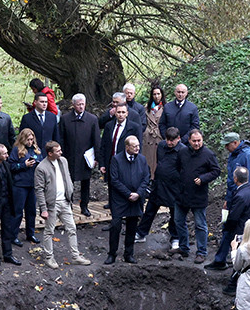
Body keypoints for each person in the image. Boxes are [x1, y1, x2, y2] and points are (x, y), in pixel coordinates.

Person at [34, 141, 92, 268]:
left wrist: (70, 197)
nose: (61, 152)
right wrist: (43, 209)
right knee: (49, 231)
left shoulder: (63, 161)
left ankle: (76, 256)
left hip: (65, 202)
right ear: (50, 153)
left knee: (72, 228)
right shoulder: (41, 168)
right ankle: (49, 257)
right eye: (58, 151)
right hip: (51, 204)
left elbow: (67, 178)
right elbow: (39, 190)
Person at [171, 129, 220, 264]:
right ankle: (183, 247)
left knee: (200, 225)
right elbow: (177, 167)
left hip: (199, 195)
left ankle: (201, 252)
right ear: (189, 141)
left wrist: (203, 178)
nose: (197, 143)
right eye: (194, 141)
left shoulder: (208, 154)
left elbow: (216, 170)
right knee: (179, 221)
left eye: (199, 141)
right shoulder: (182, 152)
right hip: (182, 194)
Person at [135, 127, 186, 247]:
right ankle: (141, 233)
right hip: (159, 184)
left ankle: (175, 238)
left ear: (178, 139)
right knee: (150, 210)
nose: (169, 143)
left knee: (175, 213)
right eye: (168, 139)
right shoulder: (162, 146)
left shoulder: (183, 151)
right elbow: (159, 161)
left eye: (172, 140)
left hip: (174, 187)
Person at [105, 136, 150, 264]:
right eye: (134, 146)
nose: (137, 148)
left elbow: (146, 178)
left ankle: (128, 254)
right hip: (120, 199)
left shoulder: (142, 159)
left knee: (132, 227)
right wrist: (128, 193)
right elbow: (114, 180)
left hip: (136, 199)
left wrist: (139, 193)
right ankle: (112, 254)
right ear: (127, 147)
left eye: (138, 146)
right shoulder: (116, 159)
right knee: (115, 226)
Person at [206, 167, 250, 271]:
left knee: (228, 237)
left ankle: (222, 263)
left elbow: (234, 216)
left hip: (240, 227)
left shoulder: (240, 195)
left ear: (235, 179)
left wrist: (227, 225)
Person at [59, 93, 100, 217]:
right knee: (68, 183)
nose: (81, 107)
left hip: (85, 157)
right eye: (78, 104)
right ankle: (68, 205)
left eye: (83, 104)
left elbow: (96, 140)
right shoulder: (65, 119)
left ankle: (84, 206)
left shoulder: (92, 119)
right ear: (73, 105)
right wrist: (60, 155)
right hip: (69, 156)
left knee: (85, 183)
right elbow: (61, 138)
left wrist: (97, 158)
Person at [7, 129, 42, 246]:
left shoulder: (36, 150)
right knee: (18, 211)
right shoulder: (17, 150)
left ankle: (30, 233)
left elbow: (42, 163)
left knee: (31, 211)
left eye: (32, 139)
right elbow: (11, 166)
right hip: (20, 184)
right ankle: (13, 235)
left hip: (33, 184)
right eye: (28, 140)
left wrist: (36, 163)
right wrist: (23, 165)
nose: (30, 142)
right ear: (23, 139)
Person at [221, 132, 250, 208]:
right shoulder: (233, 155)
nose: (226, 147)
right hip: (235, 197)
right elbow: (231, 180)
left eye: (227, 145)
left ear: (235, 143)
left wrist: (249, 201)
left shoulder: (248, 155)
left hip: (243, 199)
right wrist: (228, 199)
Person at [19, 93, 59, 158]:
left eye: (46, 102)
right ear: (35, 102)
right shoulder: (27, 118)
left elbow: (56, 136)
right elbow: (22, 138)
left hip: (49, 154)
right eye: (42, 102)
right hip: (32, 154)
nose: (44, 104)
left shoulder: (52, 117)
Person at [143, 86, 165, 177]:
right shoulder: (146, 108)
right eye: (154, 94)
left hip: (159, 136)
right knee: (147, 159)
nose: (156, 96)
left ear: (162, 95)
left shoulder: (166, 108)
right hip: (148, 137)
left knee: (158, 160)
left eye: (158, 94)